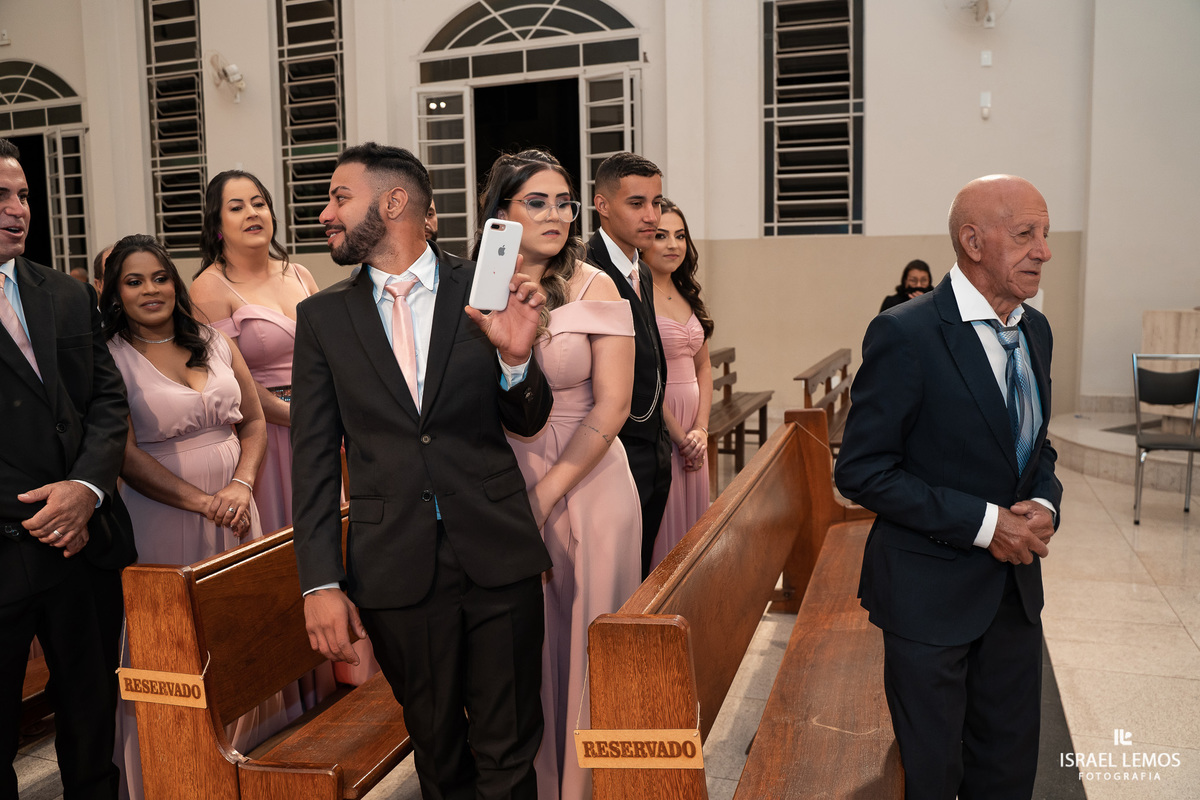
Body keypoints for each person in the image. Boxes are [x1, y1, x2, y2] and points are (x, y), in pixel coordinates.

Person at [291, 142, 553, 800]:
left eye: (338, 196)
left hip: (496, 551)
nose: (326, 213)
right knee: (438, 753)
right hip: (395, 565)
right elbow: (315, 459)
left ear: (394, 201)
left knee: (511, 746)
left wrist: (517, 362)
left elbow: (526, 419)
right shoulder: (322, 318)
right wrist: (318, 581)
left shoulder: (484, 290)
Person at [835, 174, 1062, 799]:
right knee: (933, 777)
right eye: (1025, 235)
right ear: (973, 241)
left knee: (1009, 770)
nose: (1043, 250)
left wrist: (1044, 502)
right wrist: (988, 524)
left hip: (1014, 596)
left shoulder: (1035, 330)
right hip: (927, 595)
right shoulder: (907, 333)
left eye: (1045, 234)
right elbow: (861, 471)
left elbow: (1036, 446)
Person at [475, 149, 640, 800]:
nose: (555, 214)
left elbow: (616, 404)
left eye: (564, 201)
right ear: (502, 213)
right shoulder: (482, 280)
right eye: (536, 201)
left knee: (592, 643)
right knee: (525, 645)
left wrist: (546, 491)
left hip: (591, 473)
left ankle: (594, 787)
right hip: (503, 472)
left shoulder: (597, 285)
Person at [100, 234, 287, 799]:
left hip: (236, 510)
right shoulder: (108, 356)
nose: (150, 289)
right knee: (175, 652)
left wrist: (241, 484)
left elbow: (253, 422)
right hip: (163, 515)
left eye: (159, 277)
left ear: (174, 283)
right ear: (115, 293)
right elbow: (125, 455)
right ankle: (172, 777)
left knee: (242, 640)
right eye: (133, 281)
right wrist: (203, 500)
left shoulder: (210, 339)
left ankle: (250, 769)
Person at [0, 137, 134, 800]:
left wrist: (85, 489)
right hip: (4, 549)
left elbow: (106, 399)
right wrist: (41, 512)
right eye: (1, 195)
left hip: (83, 550)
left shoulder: (63, 292)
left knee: (90, 725)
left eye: (22, 194)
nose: (18, 208)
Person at [585, 151, 671, 577]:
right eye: (636, 204)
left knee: (640, 573)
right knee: (613, 578)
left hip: (652, 448)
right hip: (612, 452)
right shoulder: (584, 269)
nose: (652, 215)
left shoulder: (641, 267)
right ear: (602, 205)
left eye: (657, 202)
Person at [642, 199, 713, 568]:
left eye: (680, 236)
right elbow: (646, 374)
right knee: (666, 531)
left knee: (693, 530)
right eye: (661, 235)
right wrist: (680, 436)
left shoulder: (687, 293)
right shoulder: (637, 294)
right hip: (662, 421)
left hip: (693, 431)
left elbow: (704, 366)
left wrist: (701, 430)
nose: (673, 245)